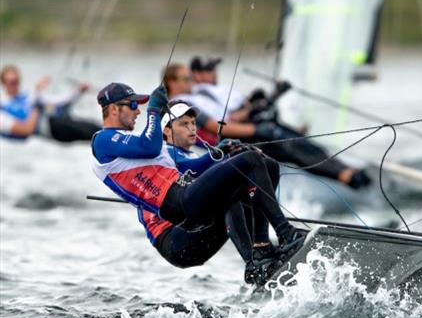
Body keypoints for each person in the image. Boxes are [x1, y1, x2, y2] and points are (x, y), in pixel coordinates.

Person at [90, 82, 306, 285]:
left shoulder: (140, 147)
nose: (138, 111)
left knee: (267, 165)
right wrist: (154, 111)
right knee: (249, 163)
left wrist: (222, 151)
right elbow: (150, 147)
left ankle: (262, 250)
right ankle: (283, 235)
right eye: (134, 105)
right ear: (114, 110)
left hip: (184, 202)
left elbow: (189, 167)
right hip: (175, 214)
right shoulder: (103, 140)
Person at [164, 62, 371, 188]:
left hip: (245, 132)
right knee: (288, 146)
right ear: (171, 82)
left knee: (296, 140)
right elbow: (219, 128)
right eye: (185, 78)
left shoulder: (197, 96)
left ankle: (343, 169)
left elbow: (232, 117)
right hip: (232, 143)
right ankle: (345, 176)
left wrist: (266, 101)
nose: (191, 81)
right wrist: (256, 129)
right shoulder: (180, 105)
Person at [0, 65, 101, 142]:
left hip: (60, 119)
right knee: (95, 134)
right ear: (4, 83)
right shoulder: (4, 108)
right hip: (52, 129)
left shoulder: (28, 95)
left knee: (98, 128)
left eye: (17, 81)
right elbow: (27, 129)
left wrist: (78, 91)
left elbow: (58, 101)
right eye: (12, 82)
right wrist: (36, 100)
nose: (16, 85)